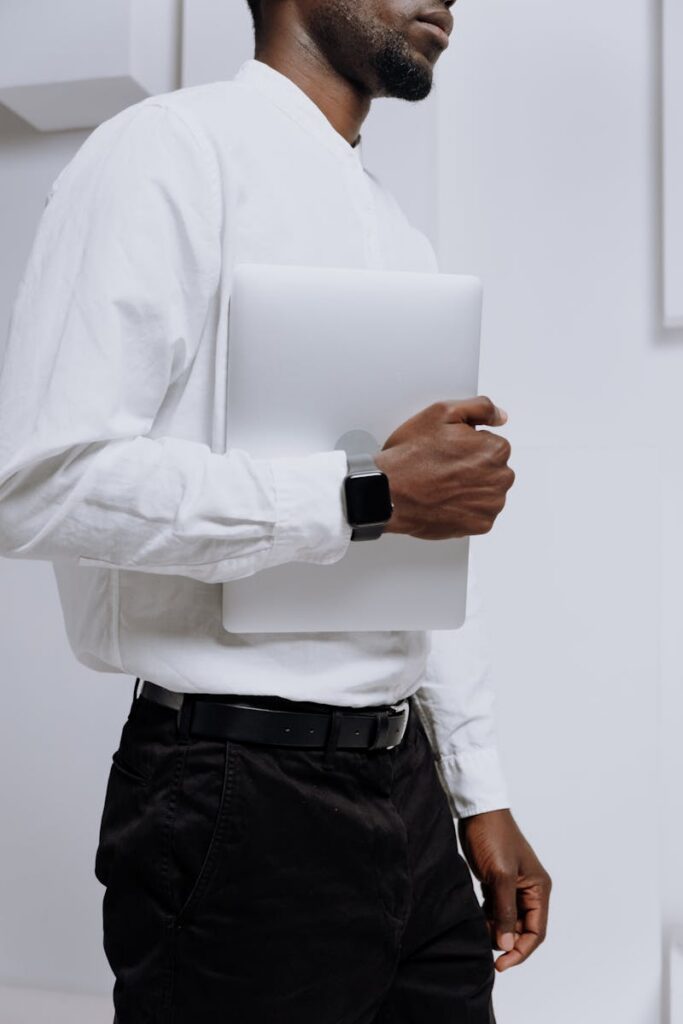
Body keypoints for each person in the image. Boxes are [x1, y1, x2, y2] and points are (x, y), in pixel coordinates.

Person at [0, 1, 551, 1021]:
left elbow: (419, 565)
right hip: (232, 796)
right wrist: (362, 494)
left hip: (408, 793)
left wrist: (479, 790)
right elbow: (36, 483)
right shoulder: (168, 151)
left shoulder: (397, 233)